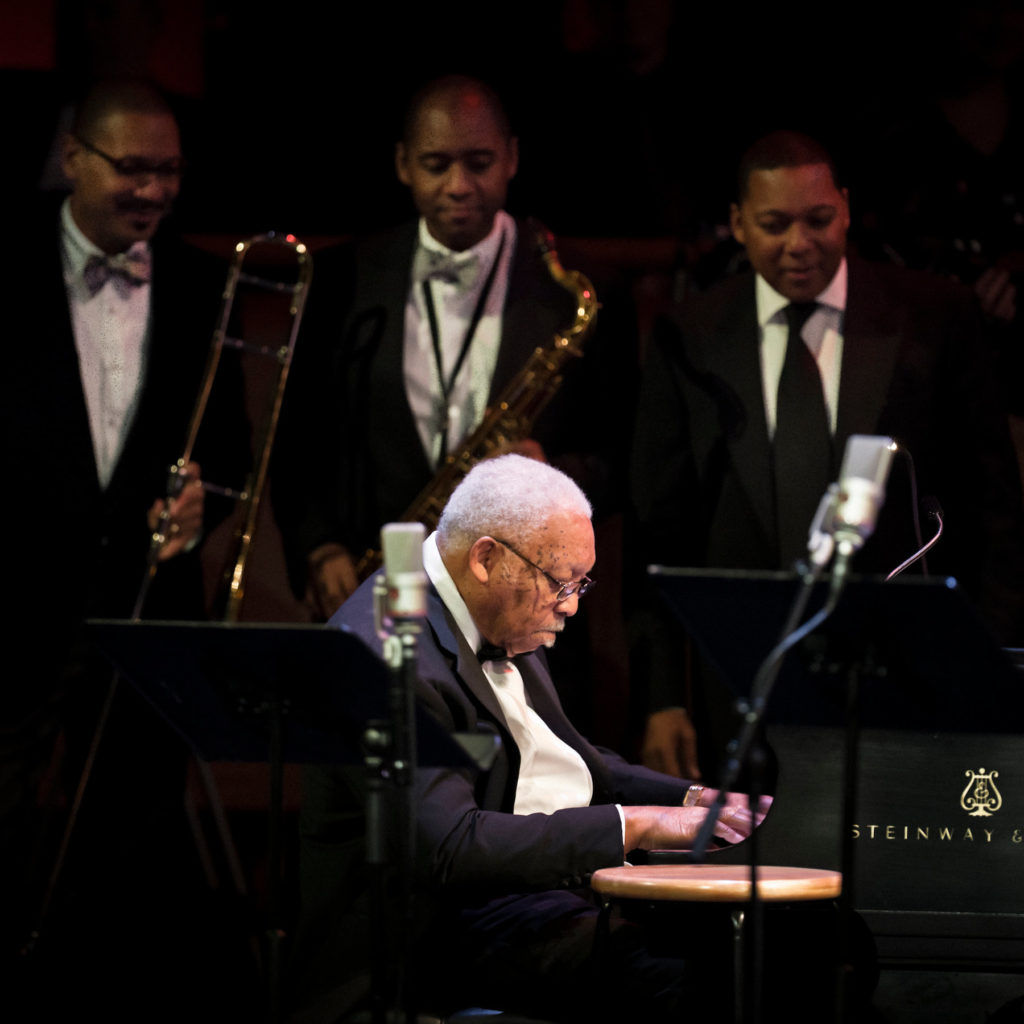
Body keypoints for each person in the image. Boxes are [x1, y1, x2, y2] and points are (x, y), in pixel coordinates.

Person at [290, 454, 775, 1024]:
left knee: (791, 948)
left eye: (581, 582)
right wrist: (635, 824)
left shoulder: (498, 612)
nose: (571, 604)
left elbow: (569, 759)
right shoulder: (385, 653)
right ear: (486, 558)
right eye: (560, 582)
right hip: (427, 933)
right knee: (692, 976)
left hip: (518, 896)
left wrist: (692, 800)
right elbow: (448, 848)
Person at [629, 129, 1024, 779]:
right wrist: (664, 697)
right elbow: (659, 530)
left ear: (847, 208)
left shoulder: (934, 315)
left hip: (910, 676)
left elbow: (995, 513)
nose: (798, 244)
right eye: (774, 224)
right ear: (736, 223)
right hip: (746, 685)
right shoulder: (691, 336)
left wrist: (985, 668)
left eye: (818, 220)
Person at [1, 78, 251, 1015]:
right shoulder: (5, 260)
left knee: (130, 844)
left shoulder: (198, 279)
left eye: (170, 172)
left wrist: (204, 504)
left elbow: (222, 443)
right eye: (133, 169)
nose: (153, 191)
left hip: (147, 611)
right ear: (74, 159)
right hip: (17, 603)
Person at [273, 73, 630, 622]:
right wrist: (318, 547)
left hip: (528, 609)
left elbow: (626, 457)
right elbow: (298, 440)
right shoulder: (343, 281)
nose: (459, 185)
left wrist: (552, 474)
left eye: (479, 163)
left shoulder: (579, 289)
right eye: (436, 165)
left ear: (512, 158)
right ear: (402, 164)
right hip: (380, 601)